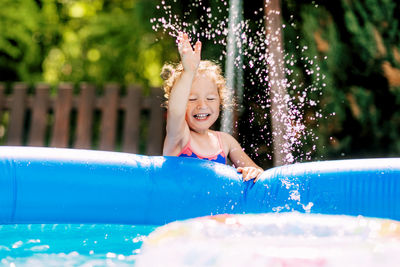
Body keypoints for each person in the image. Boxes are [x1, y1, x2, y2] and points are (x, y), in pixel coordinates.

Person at [161, 32, 263, 182]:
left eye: (210, 98)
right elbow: (176, 112)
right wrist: (188, 72)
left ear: (220, 101)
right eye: (192, 99)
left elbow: (258, 174)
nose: (202, 105)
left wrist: (252, 171)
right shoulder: (179, 137)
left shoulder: (226, 142)